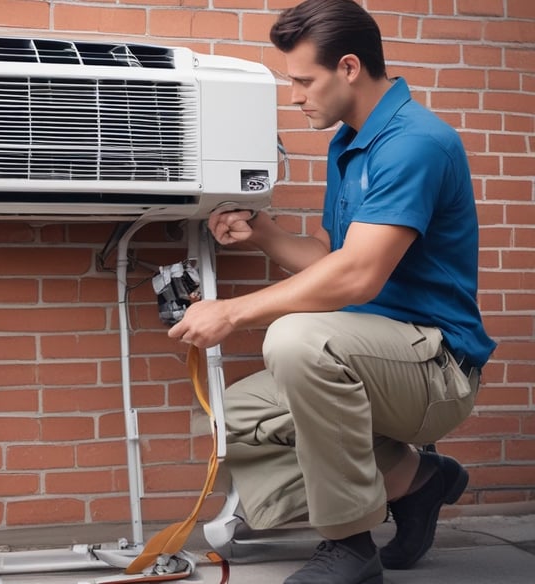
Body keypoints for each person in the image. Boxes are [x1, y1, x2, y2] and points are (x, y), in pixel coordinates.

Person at [167, 0, 497, 582]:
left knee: (296, 341)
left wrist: (235, 312)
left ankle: (349, 543)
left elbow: (356, 277)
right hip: (371, 352)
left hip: (436, 366)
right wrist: (263, 232)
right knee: (225, 416)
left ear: (348, 67)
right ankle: (416, 481)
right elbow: (330, 258)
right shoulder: (349, 143)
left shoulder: (415, 142)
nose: (294, 96)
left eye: (302, 80)